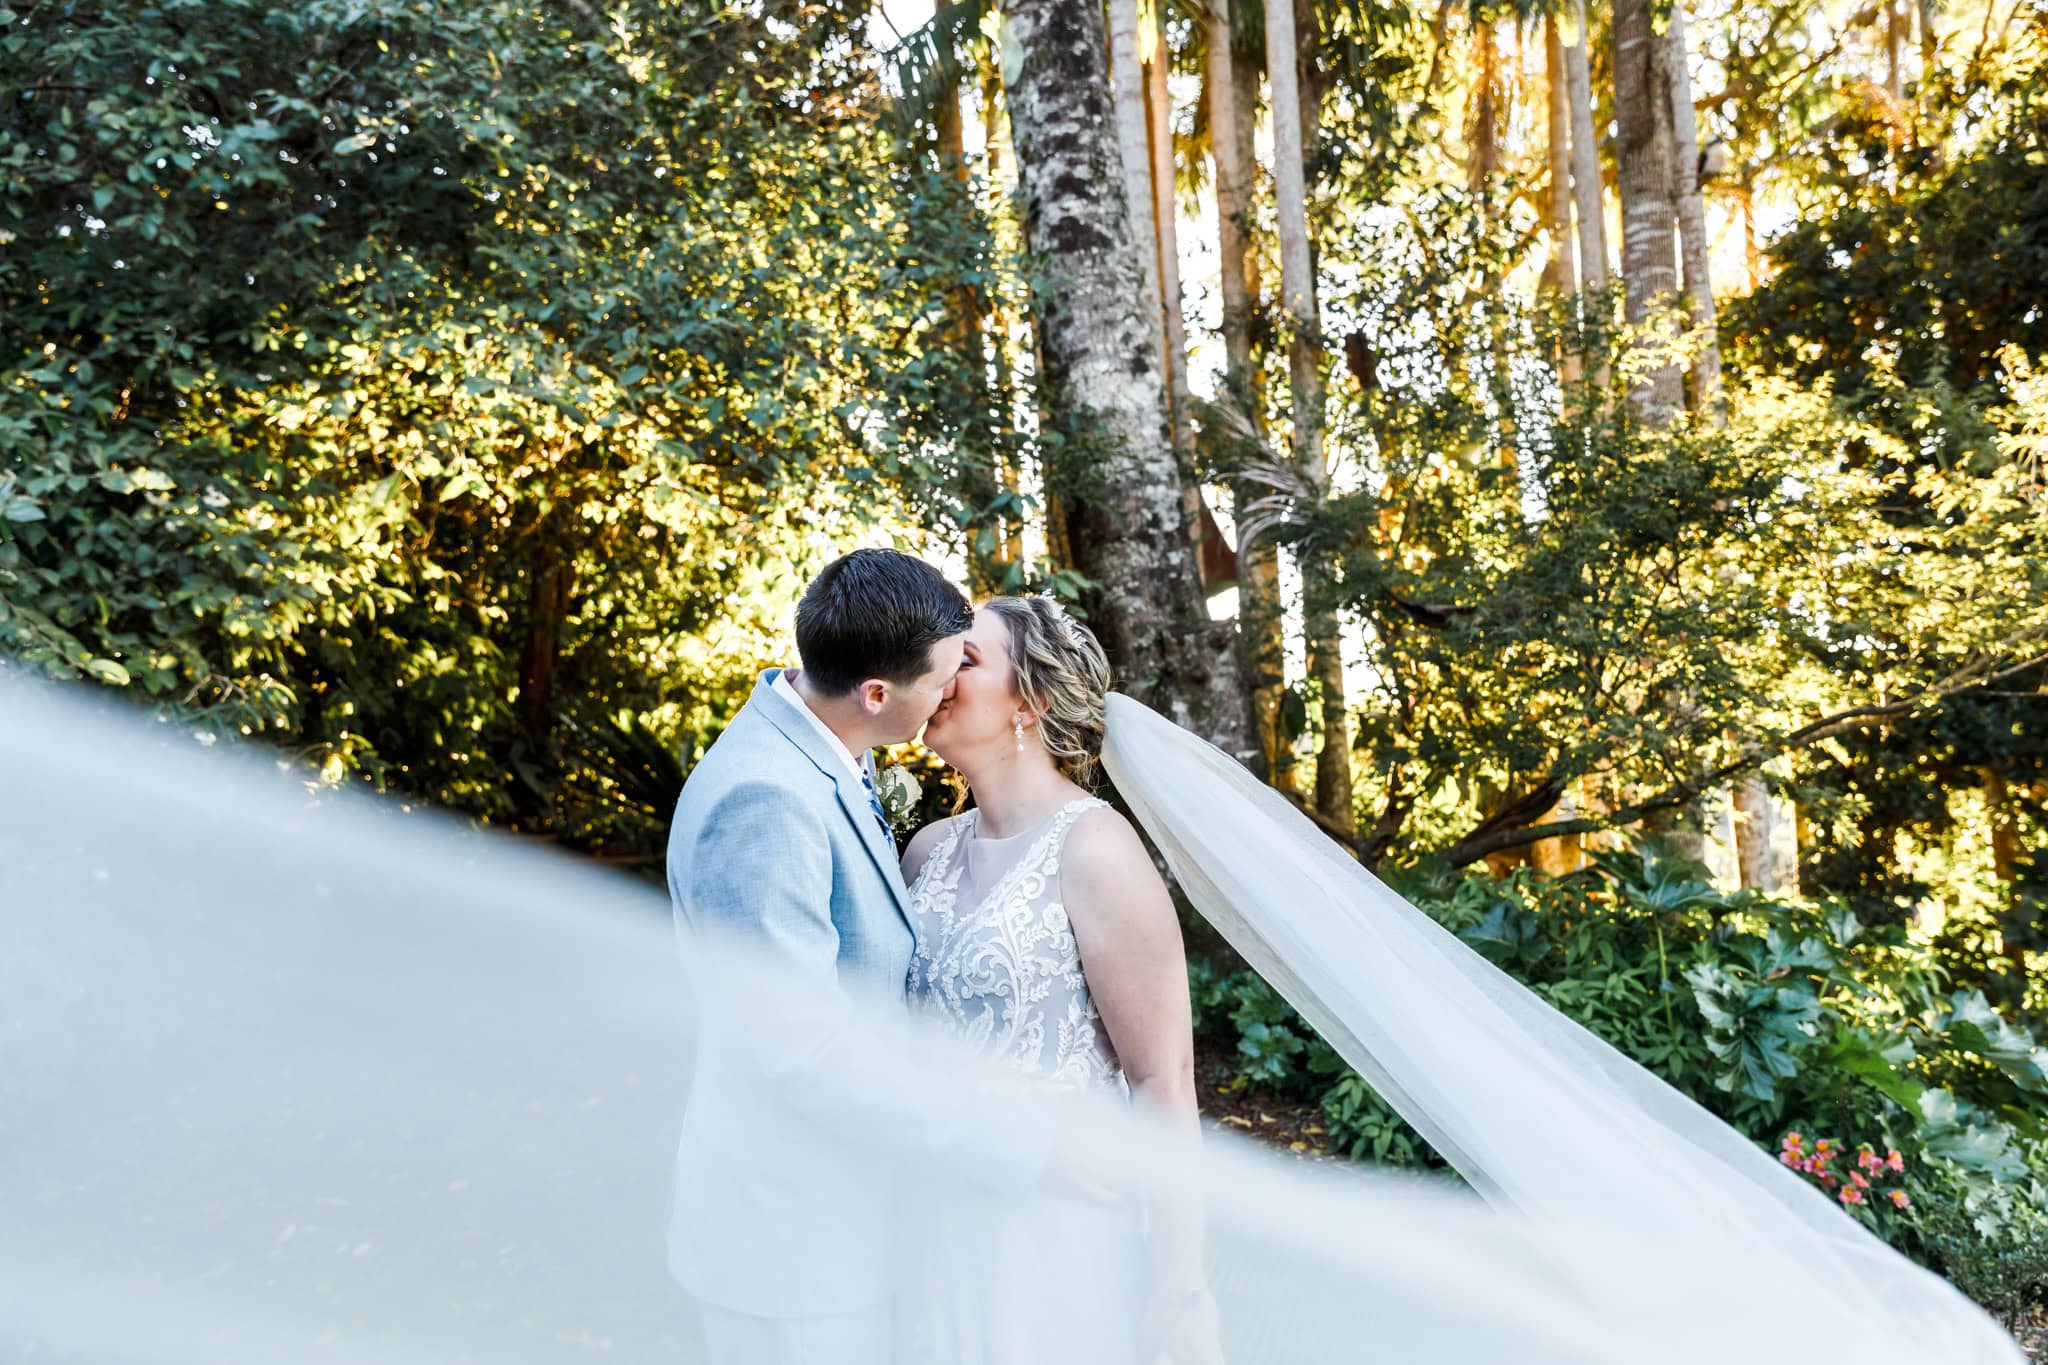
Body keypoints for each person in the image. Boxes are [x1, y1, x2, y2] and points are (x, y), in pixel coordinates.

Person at [664, 547, 970, 1365]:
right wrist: (998, 1134)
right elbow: (802, 1052)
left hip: (843, 1224)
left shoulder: (824, 747)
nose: (951, 692)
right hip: (791, 1246)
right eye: (940, 679)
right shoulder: (766, 796)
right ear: (876, 693)